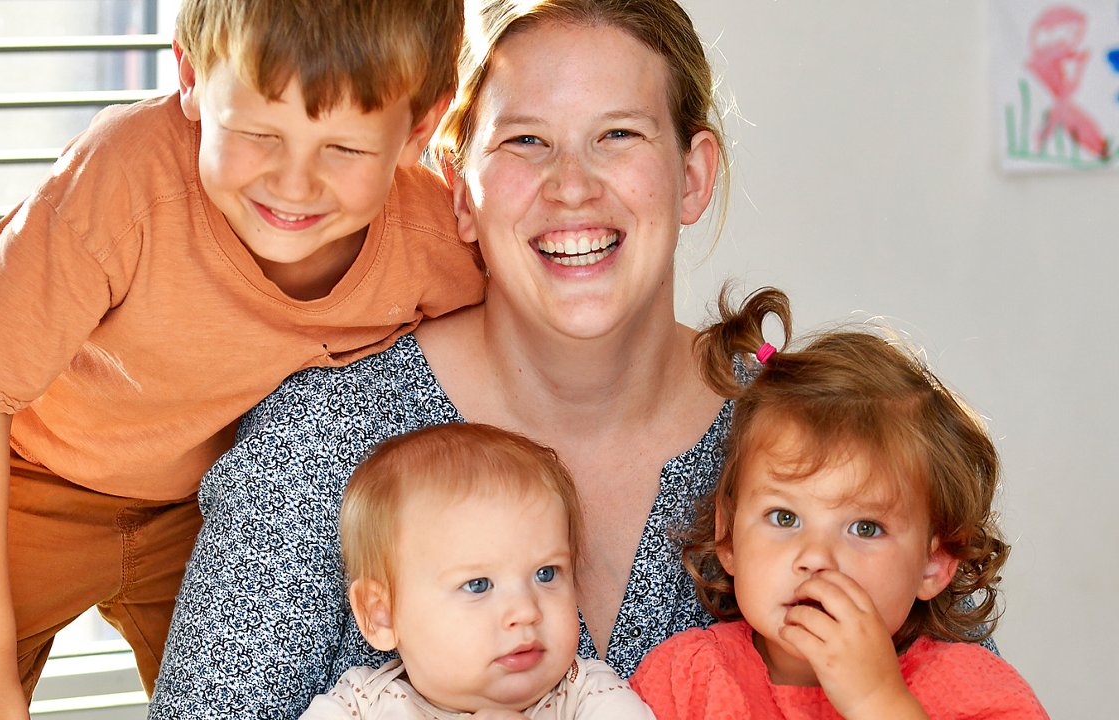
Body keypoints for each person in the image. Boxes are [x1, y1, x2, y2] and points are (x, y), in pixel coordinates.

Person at [0, 1, 484, 718]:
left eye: (343, 150)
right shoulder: (127, 177)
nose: (293, 184)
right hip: (13, 464)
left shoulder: (431, 237)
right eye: (258, 133)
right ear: (190, 75)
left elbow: (501, 362)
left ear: (419, 128)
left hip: (195, 504)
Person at [150, 1, 744, 717]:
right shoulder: (324, 437)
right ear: (460, 193)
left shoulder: (798, 436)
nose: (572, 186)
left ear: (693, 174)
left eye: (617, 134)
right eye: (526, 140)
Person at [629, 290, 1049, 719]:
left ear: (934, 562)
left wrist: (877, 702)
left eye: (865, 528)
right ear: (729, 538)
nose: (815, 557)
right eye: (785, 517)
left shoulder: (974, 689)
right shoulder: (686, 679)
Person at [300, 423, 655, 719]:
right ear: (383, 614)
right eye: (478, 584)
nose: (526, 611)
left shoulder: (589, 695)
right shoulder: (359, 704)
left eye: (546, 573)